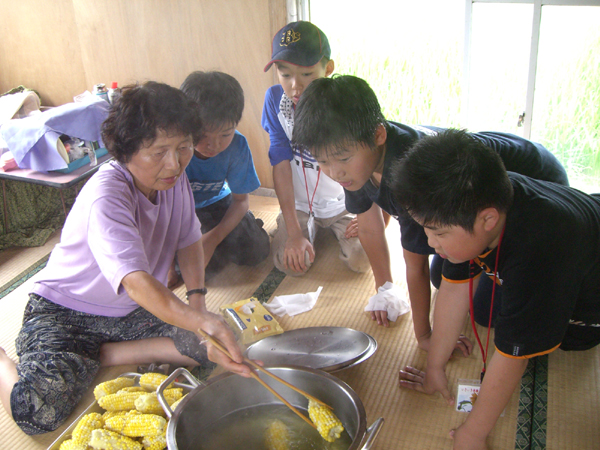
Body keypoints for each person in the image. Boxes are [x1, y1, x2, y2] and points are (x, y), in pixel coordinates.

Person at [0, 81, 250, 435]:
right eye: (159, 151)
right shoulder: (108, 195)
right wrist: (197, 321)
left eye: (183, 147)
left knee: (213, 344)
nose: (175, 163)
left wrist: (198, 305)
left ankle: (103, 354)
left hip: (125, 312)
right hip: (63, 311)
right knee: (37, 414)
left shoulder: (172, 180)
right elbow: (136, 282)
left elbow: (189, 240)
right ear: (126, 151)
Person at [291, 74, 569, 350]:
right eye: (323, 161)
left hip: (536, 185)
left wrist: (425, 336)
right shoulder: (354, 162)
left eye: (341, 159)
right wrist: (384, 291)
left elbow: (415, 265)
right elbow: (369, 227)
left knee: (485, 308)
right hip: (475, 194)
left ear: (378, 134)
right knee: (443, 274)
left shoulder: (408, 178)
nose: (334, 171)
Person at [392, 129, 600, 449]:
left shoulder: (540, 247)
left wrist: (472, 433)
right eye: (426, 230)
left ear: (488, 219)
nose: (431, 243)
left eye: (438, 233)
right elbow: (453, 289)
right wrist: (435, 365)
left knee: (550, 337)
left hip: (588, 306)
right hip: (577, 234)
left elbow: (511, 356)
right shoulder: (476, 204)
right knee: (454, 277)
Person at [262, 21, 369, 276]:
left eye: (307, 74)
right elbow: (280, 162)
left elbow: (372, 162)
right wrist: (293, 232)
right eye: (285, 74)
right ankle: (297, 228)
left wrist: (369, 215)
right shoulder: (275, 100)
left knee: (362, 261)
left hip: (343, 203)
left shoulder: (344, 104)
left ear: (328, 68)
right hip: (300, 203)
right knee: (290, 265)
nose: (295, 86)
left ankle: (326, 230)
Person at [167, 71, 269, 285]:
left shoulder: (238, 145)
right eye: (203, 135)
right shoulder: (173, 150)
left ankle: (235, 233)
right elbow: (163, 212)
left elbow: (241, 201)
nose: (214, 145)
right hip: (179, 213)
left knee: (257, 250)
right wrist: (167, 267)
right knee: (184, 265)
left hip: (219, 204)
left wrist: (212, 240)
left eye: (225, 134)